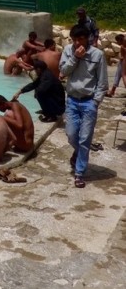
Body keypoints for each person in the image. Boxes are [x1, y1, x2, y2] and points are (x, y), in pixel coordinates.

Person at [60, 24, 108, 189]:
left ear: (87, 38)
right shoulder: (68, 50)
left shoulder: (98, 55)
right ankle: (78, 152)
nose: (77, 42)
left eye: (80, 39)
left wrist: (96, 102)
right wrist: (75, 57)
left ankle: (79, 173)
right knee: (71, 134)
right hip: (72, 100)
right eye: (74, 39)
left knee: (85, 138)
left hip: (89, 102)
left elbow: (102, 82)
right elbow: (63, 72)